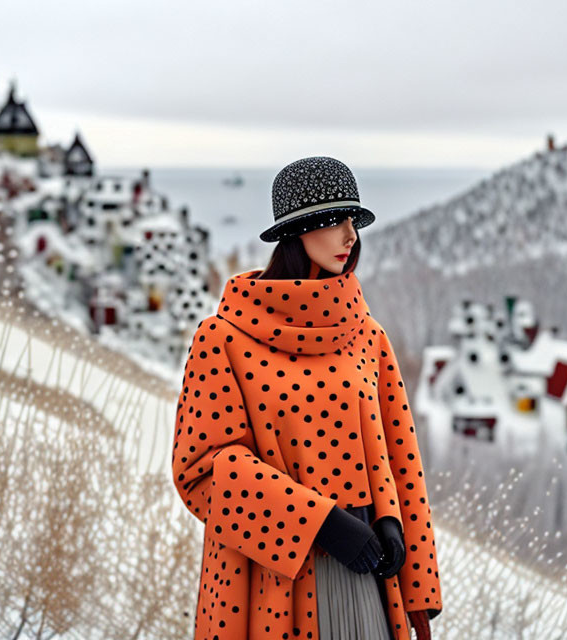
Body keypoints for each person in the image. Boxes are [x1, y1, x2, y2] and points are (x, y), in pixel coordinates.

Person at [172, 156, 442, 640]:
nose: (350, 236)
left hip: (371, 573)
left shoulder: (367, 336)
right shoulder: (223, 338)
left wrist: (397, 534)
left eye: (353, 222)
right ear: (299, 229)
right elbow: (202, 470)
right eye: (336, 220)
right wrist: (320, 523)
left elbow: (402, 457)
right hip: (273, 578)